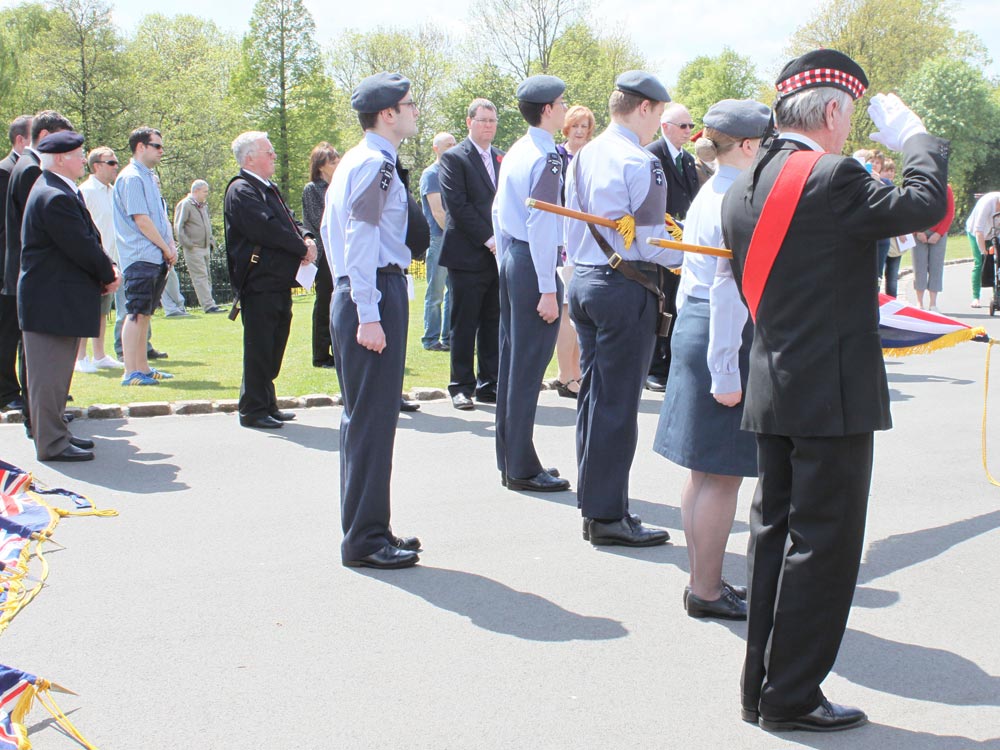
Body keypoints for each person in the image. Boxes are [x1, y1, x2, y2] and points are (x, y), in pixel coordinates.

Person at [720, 49, 949, 732]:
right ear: (829, 111)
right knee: (824, 546)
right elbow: (927, 202)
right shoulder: (832, 175)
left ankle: (761, 687)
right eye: (847, 118)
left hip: (775, 383)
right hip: (832, 392)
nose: (849, 133)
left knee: (772, 538)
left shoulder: (744, 182)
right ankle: (791, 696)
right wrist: (913, 138)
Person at [652, 99, 770, 622]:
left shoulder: (712, 188)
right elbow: (728, 291)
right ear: (747, 145)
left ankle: (705, 580)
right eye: (765, 141)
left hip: (698, 326)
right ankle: (705, 589)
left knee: (703, 474)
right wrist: (726, 370)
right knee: (721, 476)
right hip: (720, 331)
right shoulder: (737, 196)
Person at [564, 70, 681, 547]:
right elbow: (652, 242)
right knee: (615, 405)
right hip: (623, 286)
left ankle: (595, 504)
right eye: (658, 115)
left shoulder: (585, 154)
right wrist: (688, 252)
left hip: (588, 281)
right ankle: (608, 516)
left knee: (595, 400)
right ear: (646, 109)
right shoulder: (641, 161)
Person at [321, 72, 421, 569]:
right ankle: (364, 539)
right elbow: (359, 237)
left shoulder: (358, 161)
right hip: (374, 291)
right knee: (372, 423)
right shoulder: (377, 165)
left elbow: (329, 230)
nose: (414, 110)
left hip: (367, 288)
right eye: (409, 104)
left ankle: (370, 527)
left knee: (368, 421)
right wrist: (367, 310)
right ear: (388, 114)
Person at [492, 74, 572, 493]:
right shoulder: (547, 157)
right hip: (533, 263)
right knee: (526, 369)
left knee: (512, 365)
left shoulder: (520, 150)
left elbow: (497, 209)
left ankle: (512, 458)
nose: (564, 109)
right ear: (547, 110)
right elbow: (542, 223)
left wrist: (509, 257)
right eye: (561, 103)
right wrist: (546, 287)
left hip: (515, 257)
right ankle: (521, 466)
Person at [18, 131, 119, 461]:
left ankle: (57, 435)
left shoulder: (57, 189)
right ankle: (52, 444)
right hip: (50, 301)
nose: (82, 160)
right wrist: (107, 273)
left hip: (55, 300)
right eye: (78, 155)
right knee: (48, 379)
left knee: (57, 376)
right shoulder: (54, 195)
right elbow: (80, 245)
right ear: (60, 158)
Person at [225, 131, 316, 429]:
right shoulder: (241, 190)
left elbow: (289, 219)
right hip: (259, 281)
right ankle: (252, 408)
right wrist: (300, 248)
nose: (274, 156)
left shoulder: (268, 188)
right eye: (269, 151)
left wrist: (306, 236)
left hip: (278, 281)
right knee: (260, 346)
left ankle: (267, 401)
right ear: (250, 157)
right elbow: (266, 228)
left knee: (275, 343)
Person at [4, 110, 75, 432]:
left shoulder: (26, 165)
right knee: (36, 353)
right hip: (35, 274)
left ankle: (42, 416)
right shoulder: (31, 168)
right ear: (45, 137)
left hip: (28, 272)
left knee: (30, 350)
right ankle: (42, 419)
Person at [438, 98, 503, 411]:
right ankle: (460, 386)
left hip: (497, 256)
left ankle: (489, 384)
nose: (488, 126)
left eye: (492, 120)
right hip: (467, 255)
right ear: (469, 122)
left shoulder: (501, 158)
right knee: (464, 323)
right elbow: (457, 206)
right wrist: (490, 240)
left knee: (493, 320)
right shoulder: (454, 158)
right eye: (482, 120)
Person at [113, 127, 176, 386]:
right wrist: (164, 247)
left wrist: (168, 246)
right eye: (157, 146)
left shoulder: (148, 177)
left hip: (155, 256)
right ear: (141, 146)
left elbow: (159, 218)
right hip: (140, 256)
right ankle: (131, 372)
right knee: (136, 313)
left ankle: (143, 368)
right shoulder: (131, 178)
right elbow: (141, 220)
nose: (161, 151)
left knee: (146, 314)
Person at [645, 101, 701, 393]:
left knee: (677, 303)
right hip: (662, 238)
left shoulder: (688, 159)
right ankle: (654, 366)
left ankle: (670, 363)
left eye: (691, 126)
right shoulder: (653, 155)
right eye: (683, 126)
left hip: (683, 239)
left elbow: (691, 199)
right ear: (665, 127)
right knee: (661, 303)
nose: (688, 131)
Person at [553, 105, 594, 400]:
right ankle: (564, 375)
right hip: (564, 238)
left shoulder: (593, 157)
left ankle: (578, 372)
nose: (580, 131)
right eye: (576, 125)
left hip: (587, 240)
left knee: (581, 312)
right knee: (567, 310)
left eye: (585, 126)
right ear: (566, 127)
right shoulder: (556, 155)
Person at [76, 145, 123, 372]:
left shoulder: (113, 191)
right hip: (92, 258)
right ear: (96, 166)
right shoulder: (85, 191)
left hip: (110, 258)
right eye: (111, 163)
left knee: (103, 310)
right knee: (86, 308)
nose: (116, 167)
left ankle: (100, 354)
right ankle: (80, 356)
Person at [0, 114, 31, 413]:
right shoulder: (4, 172)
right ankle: (7, 391)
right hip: (7, 268)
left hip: (27, 267)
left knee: (28, 333)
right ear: (21, 140)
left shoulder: (29, 171)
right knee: (8, 333)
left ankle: (35, 387)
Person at [301, 143, 341, 368]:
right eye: (333, 161)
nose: (337, 164)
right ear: (321, 166)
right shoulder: (312, 189)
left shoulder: (340, 185)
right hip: (325, 251)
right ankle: (321, 354)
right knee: (325, 301)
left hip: (339, 250)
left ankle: (339, 348)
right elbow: (318, 221)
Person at [419, 131, 457, 351]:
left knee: (453, 291)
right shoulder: (431, 175)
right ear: (436, 148)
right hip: (439, 238)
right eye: (447, 144)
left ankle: (449, 337)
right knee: (435, 292)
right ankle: (430, 338)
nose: (452, 147)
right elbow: (437, 212)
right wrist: (455, 235)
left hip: (451, 238)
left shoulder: (453, 172)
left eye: (453, 143)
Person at [175, 179, 226, 314]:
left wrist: (210, 241)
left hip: (204, 247)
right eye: (204, 191)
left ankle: (210, 303)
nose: (206, 194)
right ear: (196, 191)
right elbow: (178, 227)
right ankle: (209, 306)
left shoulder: (202, 205)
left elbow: (206, 225)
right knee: (200, 277)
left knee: (207, 276)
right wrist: (188, 244)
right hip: (194, 248)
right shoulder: (185, 204)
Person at [912, 183, 955, 311]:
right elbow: (911, 210)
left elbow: (950, 212)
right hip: (919, 232)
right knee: (919, 266)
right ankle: (919, 302)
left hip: (939, 233)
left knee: (936, 266)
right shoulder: (917, 185)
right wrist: (918, 231)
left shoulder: (945, 188)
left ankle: (933, 303)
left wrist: (939, 233)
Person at [966, 191, 1000, 308]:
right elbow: (978, 230)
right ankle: (976, 297)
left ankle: (997, 295)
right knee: (980, 262)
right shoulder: (988, 203)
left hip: (994, 234)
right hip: (976, 233)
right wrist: (983, 251)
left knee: (997, 262)